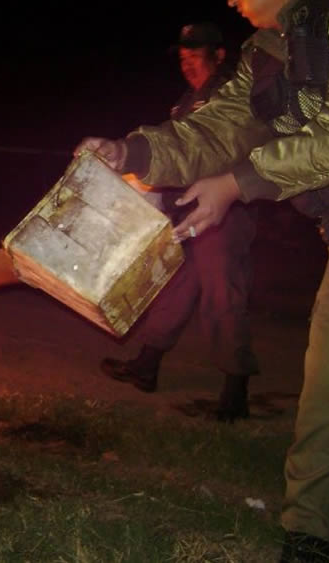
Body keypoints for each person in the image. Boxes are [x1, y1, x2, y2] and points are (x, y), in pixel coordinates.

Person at [75, 0, 329, 561]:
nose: (232, 0)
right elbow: (216, 128)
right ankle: (308, 540)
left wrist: (239, 184)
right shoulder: (271, 48)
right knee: (328, 412)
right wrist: (133, 151)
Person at [98, 21, 260, 424]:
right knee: (173, 284)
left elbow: (224, 150)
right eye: (183, 58)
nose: (187, 65)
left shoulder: (230, 95)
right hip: (187, 211)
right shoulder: (186, 101)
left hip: (226, 212)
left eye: (195, 56)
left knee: (222, 294)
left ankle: (235, 389)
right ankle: (148, 363)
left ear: (219, 55)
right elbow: (178, 155)